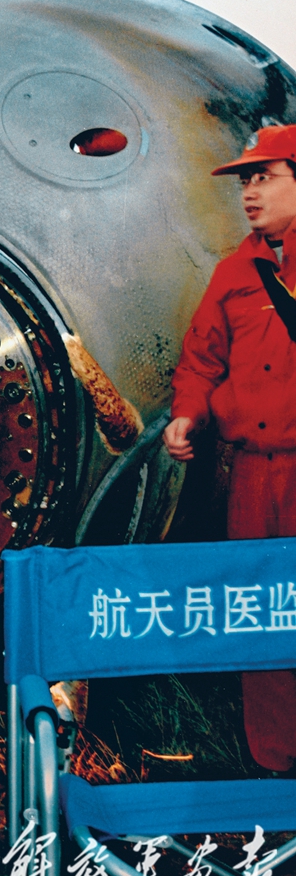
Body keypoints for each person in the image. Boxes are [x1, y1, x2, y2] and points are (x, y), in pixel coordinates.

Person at [164, 123, 296, 775]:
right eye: (245, 180)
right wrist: (185, 414)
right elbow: (200, 360)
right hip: (249, 476)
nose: (249, 192)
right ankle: (276, 765)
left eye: (264, 177)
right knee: (262, 615)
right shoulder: (233, 274)